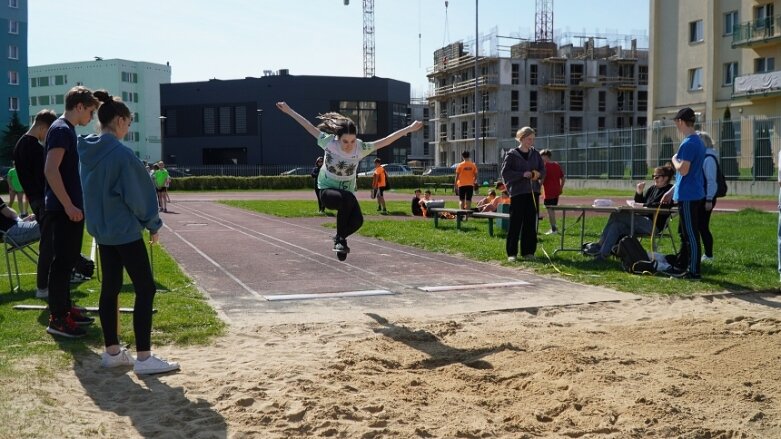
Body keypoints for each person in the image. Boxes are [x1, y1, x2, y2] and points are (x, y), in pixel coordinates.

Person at [78, 91, 179, 375]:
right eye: (129, 122)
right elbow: (138, 194)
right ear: (120, 120)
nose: (129, 128)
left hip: (102, 231)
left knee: (110, 288)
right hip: (124, 230)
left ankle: (112, 351)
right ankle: (144, 358)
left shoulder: (85, 152)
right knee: (145, 288)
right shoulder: (121, 154)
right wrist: (153, 225)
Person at [276, 101, 422, 260]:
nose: (349, 145)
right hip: (327, 191)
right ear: (338, 138)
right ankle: (340, 239)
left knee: (358, 221)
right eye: (345, 141)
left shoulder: (361, 148)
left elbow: (387, 140)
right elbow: (308, 126)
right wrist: (289, 110)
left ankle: (340, 238)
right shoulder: (329, 142)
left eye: (352, 141)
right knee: (348, 198)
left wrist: (409, 129)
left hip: (346, 195)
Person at [43, 86, 99, 338]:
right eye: (90, 111)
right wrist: (68, 204)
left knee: (66, 262)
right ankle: (57, 318)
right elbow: (51, 170)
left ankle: (65, 309)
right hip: (63, 210)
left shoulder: (66, 129)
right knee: (62, 264)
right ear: (78, 106)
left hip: (68, 209)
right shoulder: (61, 129)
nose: (91, 118)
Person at [583, 165, 675, 260]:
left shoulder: (669, 191)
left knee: (616, 214)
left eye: (657, 177)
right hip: (640, 221)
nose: (654, 179)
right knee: (616, 226)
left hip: (652, 225)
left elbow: (660, 206)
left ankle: (599, 245)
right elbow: (640, 202)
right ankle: (601, 256)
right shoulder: (652, 188)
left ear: (666, 178)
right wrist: (639, 192)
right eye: (653, 176)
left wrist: (642, 205)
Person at [13, 109, 58, 298]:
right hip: (43, 199)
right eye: (48, 132)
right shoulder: (35, 148)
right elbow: (46, 177)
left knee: (49, 243)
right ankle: (43, 287)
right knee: (49, 244)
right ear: (42, 127)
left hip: (34, 199)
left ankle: (46, 284)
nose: (48, 137)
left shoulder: (19, 145)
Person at [662, 107, 706, 279]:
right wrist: (672, 191)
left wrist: (674, 159)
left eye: (676, 123)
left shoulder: (688, 143)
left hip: (689, 195)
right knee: (685, 232)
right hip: (690, 192)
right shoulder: (698, 141)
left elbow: (684, 170)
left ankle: (694, 270)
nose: (676, 126)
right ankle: (682, 264)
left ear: (680, 121)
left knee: (691, 234)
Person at [501, 127, 545, 262]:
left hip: (533, 193)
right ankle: (512, 253)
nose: (531, 142)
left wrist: (537, 174)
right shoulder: (512, 154)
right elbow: (505, 173)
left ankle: (528, 252)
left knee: (530, 224)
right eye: (528, 139)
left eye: (533, 139)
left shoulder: (536, 154)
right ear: (521, 138)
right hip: (518, 193)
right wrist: (521, 175)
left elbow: (543, 171)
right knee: (515, 224)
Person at [698, 131, 718, 263]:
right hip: (702, 196)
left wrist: (709, 199)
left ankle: (709, 255)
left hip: (706, 197)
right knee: (700, 226)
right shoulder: (704, 157)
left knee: (703, 226)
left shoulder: (709, 158)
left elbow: (711, 181)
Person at [540, 149, 565, 235]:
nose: (541, 159)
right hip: (556, 192)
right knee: (552, 210)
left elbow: (542, 179)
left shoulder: (545, 166)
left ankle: (553, 229)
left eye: (541, 157)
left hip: (549, 192)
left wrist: (538, 186)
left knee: (550, 210)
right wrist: (561, 188)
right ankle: (554, 227)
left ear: (546, 156)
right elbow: (563, 178)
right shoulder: (557, 165)